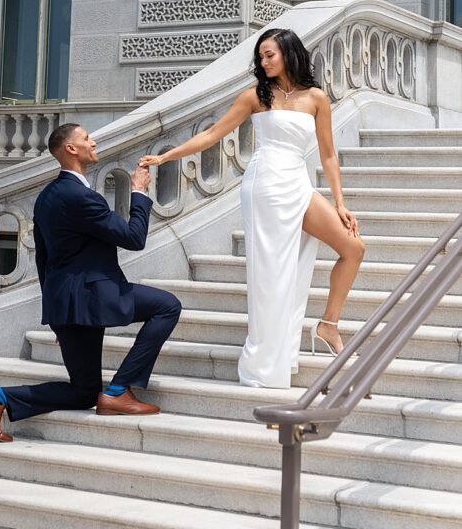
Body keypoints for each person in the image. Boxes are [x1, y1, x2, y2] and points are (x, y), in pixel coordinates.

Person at [140, 28, 364, 390]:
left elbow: (327, 154)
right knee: (271, 275)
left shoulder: (316, 98)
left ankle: (328, 325)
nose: (263, 62)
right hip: (264, 186)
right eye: (260, 56)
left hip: (299, 183)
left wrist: (340, 202)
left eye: (269, 54)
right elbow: (211, 135)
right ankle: (265, 363)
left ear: (289, 53)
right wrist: (166, 156)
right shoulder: (255, 96)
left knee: (353, 248)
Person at [0, 122, 182, 441]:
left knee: (83, 392)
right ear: (71, 149)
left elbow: (45, 260)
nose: (92, 142)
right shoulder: (81, 197)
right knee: (167, 307)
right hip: (93, 295)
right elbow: (134, 238)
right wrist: (139, 193)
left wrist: (58, 314)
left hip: (67, 302)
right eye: (86, 138)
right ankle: (120, 390)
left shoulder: (47, 197)